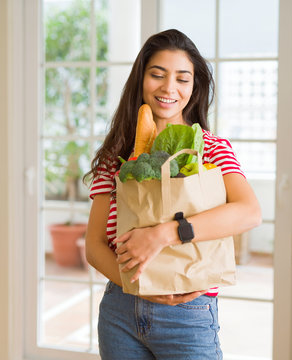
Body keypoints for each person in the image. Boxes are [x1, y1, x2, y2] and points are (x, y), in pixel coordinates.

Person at [84, 29, 261, 360]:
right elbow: (94, 246)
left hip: (188, 315)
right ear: (141, 80)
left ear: (194, 88)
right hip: (120, 310)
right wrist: (140, 287)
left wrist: (164, 234)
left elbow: (249, 211)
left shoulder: (211, 149)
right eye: (157, 75)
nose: (169, 88)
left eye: (183, 78)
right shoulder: (116, 156)